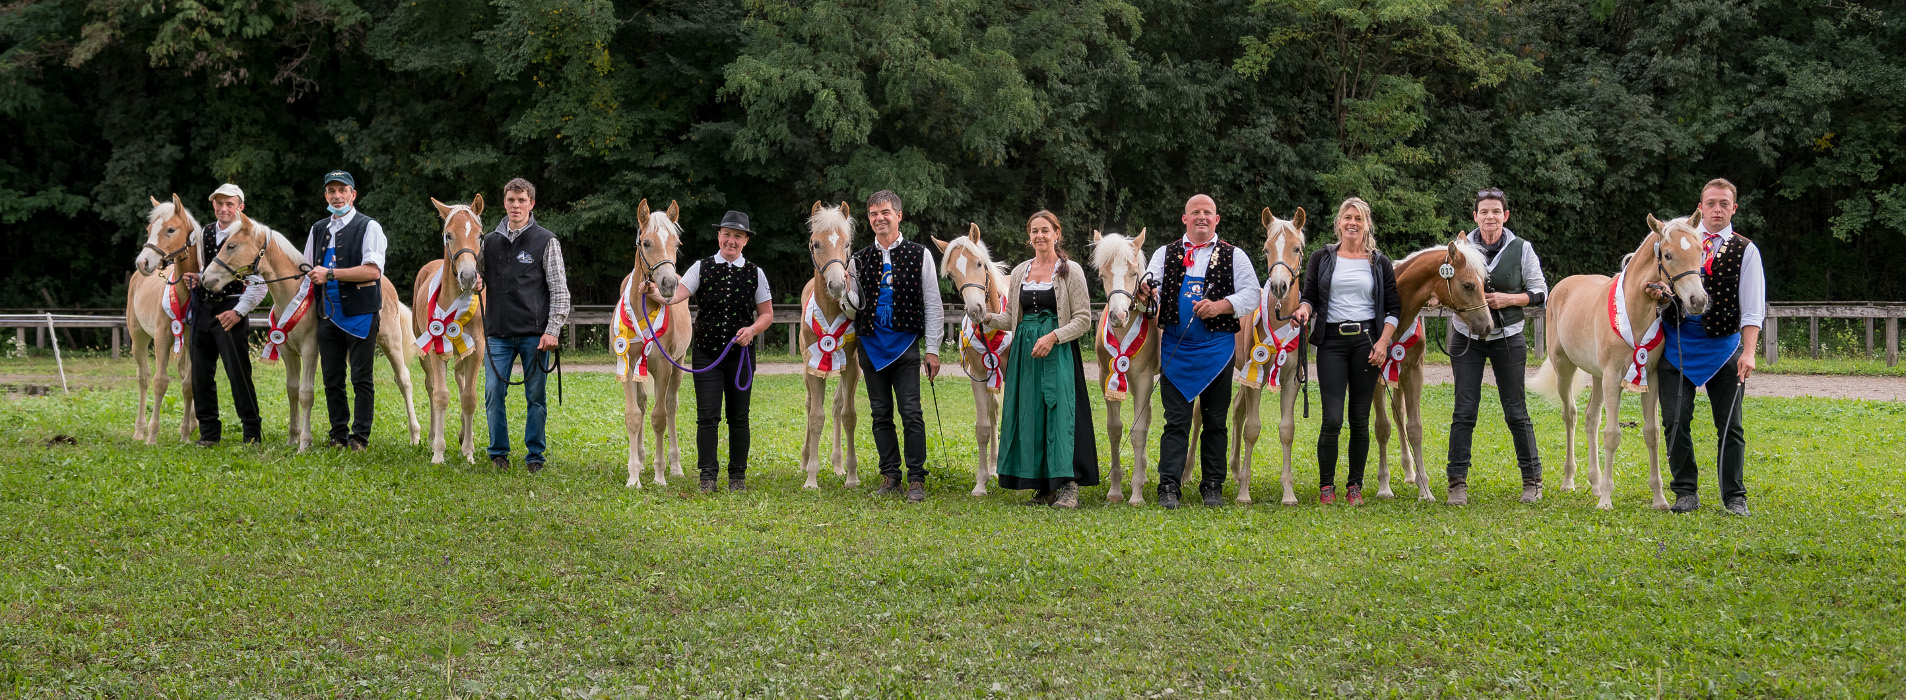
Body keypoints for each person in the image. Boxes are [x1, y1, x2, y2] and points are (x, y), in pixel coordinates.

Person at [1651, 178, 1765, 516]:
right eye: (1711, 203)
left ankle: (1734, 496)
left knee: (1731, 426)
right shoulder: (1677, 241)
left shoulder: (1746, 250)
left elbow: (1753, 308)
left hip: (1724, 347)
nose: (1717, 209)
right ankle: (1685, 492)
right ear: (1700, 208)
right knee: (1674, 422)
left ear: (1734, 209)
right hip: (1677, 346)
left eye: (1724, 204)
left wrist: (1749, 351)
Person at [1139, 194, 1261, 509]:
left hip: (1217, 351)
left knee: (1215, 421)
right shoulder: (1164, 253)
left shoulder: (1234, 255)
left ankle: (1213, 486)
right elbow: (1150, 291)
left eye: (1208, 212)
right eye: (1195, 212)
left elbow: (1252, 294)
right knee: (1175, 421)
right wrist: (1146, 293)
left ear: (1216, 219)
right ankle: (1169, 485)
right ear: (1185, 218)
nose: (1202, 217)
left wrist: (1221, 305)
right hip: (1176, 351)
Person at [645, 210, 772, 493]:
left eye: (737, 236)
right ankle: (708, 477)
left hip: (741, 356)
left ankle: (737, 476)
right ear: (719, 236)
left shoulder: (755, 273)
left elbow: (766, 314)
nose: (731, 240)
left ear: (745, 240)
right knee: (707, 416)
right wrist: (653, 293)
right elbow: (675, 296)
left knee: (739, 417)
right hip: (707, 354)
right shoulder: (700, 268)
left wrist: (752, 330)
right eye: (727, 234)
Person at [985, 210, 1099, 509]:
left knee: (1061, 414)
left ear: (1056, 234)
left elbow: (1083, 319)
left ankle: (1069, 486)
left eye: (1045, 230)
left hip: (1058, 352)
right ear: (1029, 236)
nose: (1039, 235)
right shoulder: (1020, 271)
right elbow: (1012, 317)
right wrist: (986, 318)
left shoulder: (1070, 270)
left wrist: (1053, 337)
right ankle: (1044, 487)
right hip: (1025, 354)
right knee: (1031, 413)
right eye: (1034, 231)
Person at [1445, 188, 1549, 505]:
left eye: (1495, 211)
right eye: (1484, 211)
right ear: (1475, 216)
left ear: (1506, 216)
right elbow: (1444, 284)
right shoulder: (1459, 249)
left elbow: (1540, 292)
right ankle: (1457, 484)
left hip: (1508, 336)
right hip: (1467, 337)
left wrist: (1509, 299)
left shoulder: (1522, 249)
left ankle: (1532, 481)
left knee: (1516, 410)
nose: (1490, 217)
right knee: (1464, 410)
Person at [1292, 197, 1399, 506]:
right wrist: (1303, 309)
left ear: (1366, 225)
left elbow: (1393, 308)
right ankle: (1327, 487)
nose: (1352, 222)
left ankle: (1355, 486)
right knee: (1332, 419)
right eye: (1347, 217)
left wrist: (1383, 342)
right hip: (1332, 343)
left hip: (1367, 342)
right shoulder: (1321, 258)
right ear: (1339, 222)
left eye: (1358, 218)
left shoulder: (1379, 262)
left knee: (1360, 418)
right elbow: (1310, 296)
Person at [850, 190, 945, 503]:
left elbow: (933, 303)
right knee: (880, 414)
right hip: (870, 346)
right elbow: (850, 308)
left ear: (899, 216)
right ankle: (890, 476)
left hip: (905, 345)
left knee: (911, 413)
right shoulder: (858, 259)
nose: (879, 218)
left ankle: (916, 478)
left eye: (885, 212)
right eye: (874, 214)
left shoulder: (920, 254)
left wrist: (933, 349)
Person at [480, 178, 571, 473]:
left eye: (521, 200)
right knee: (493, 393)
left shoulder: (546, 241)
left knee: (536, 396)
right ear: (504, 203)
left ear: (531, 203)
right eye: (511, 200)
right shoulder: (489, 242)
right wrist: (474, 281)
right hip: (497, 334)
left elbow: (559, 290)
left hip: (535, 335)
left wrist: (552, 330)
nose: (515, 206)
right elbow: (474, 277)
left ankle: (534, 456)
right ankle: (498, 454)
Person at [303, 170, 387, 451]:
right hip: (327, 314)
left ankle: (360, 437)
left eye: (342, 190)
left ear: (353, 195)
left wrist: (330, 273)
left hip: (361, 313)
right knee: (332, 378)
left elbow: (372, 271)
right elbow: (307, 270)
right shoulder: (318, 229)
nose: (336, 196)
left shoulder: (369, 227)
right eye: (331, 191)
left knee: (361, 378)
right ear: (325, 195)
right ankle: (338, 435)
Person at [180, 183, 268, 447]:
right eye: (219, 203)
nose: (224, 208)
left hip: (231, 307)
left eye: (230, 204)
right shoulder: (206, 232)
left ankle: (252, 433)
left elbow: (260, 284)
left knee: (238, 373)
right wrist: (197, 278)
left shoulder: (250, 235)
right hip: (203, 308)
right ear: (213, 205)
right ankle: (209, 433)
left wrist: (238, 312)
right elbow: (210, 270)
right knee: (200, 374)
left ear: (241, 207)